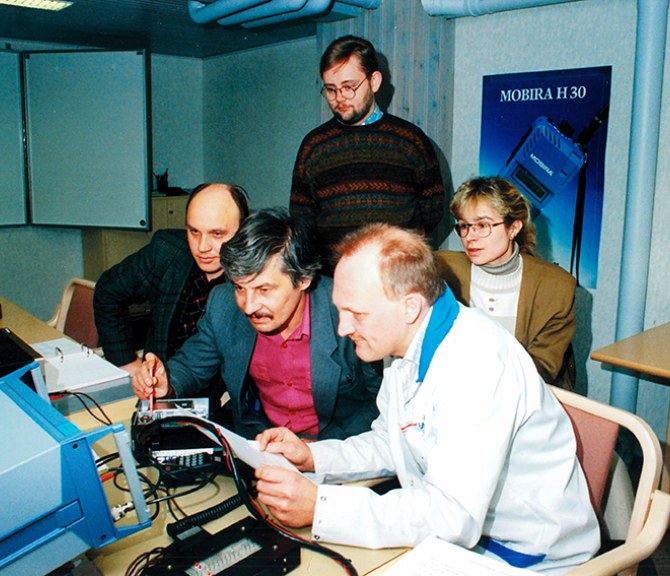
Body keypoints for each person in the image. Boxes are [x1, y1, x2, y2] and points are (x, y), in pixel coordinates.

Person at [253, 224, 600, 575]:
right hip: (464, 537)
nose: (343, 328)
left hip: (527, 556)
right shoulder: (407, 341)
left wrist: (322, 507)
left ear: (410, 306)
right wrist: (312, 456)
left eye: (357, 314)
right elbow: (393, 440)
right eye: (341, 311)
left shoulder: (477, 362)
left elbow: (452, 516)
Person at [132, 208, 382, 440]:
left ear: (303, 279)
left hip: (335, 448)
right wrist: (166, 383)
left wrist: (321, 452)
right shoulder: (224, 306)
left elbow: (381, 403)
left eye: (264, 290)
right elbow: (191, 367)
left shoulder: (350, 313)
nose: (248, 306)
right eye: (240, 288)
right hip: (257, 445)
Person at [289, 35, 445, 272]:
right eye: (330, 89)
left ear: (374, 81)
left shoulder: (410, 140)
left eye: (349, 87)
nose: (339, 98)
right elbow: (302, 219)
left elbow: (432, 210)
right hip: (335, 279)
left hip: (398, 277)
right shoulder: (314, 146)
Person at [94, 183, 249, 380]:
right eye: (194, 231)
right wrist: (126, 362)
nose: (202, 247)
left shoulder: (254, 283)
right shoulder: (168, 252)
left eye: (217, 234)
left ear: (242, 232)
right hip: (157, 385)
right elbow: (108, 290)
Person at [436, 176, 576, 389]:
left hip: (523, 395)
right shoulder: (440, 269)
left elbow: (542, 370)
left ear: (513, 228)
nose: (469, 237)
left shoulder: (557, 287)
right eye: (464, 225)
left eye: (482, 225)